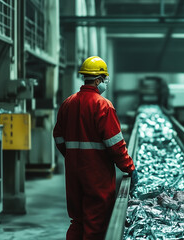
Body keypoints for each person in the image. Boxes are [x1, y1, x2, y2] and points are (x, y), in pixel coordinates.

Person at [53, 56, 138, 240]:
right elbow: (116, 145)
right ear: (98, 80)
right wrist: (129, 168)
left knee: (77, 221)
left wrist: (71, 155)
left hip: (74, 171)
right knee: (96, 223)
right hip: (96, 173)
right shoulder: (103, 105)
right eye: (104, 79)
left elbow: (58, 137)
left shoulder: (68, 103)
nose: (105, 83)